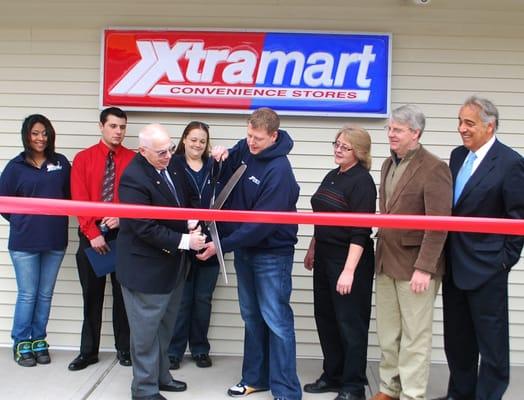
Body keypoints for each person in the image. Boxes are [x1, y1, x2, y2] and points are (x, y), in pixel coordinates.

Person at [198, 107, 302, 400]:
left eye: (258, 138)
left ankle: (286, 391)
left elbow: (261, 225)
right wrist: (218, 158)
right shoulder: (245, 148)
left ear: (274, 136)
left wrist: (221, 245)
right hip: (244, 248)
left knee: (277, 320)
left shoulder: (279, 170)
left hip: (272, 254)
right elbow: (223, 175)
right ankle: (255, 378)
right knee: (251, 317)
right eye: (249, 135)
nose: (251, 143)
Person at [435, 97, 524, 400]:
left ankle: (488, 396)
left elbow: (518, 216)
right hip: (454, 264)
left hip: (487, 267)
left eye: (469, 123)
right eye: (459, 122)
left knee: (491, 342)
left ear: (490, 125)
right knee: (457, 338)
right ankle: (459, 393)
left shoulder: (510, 163)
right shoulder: (458, 156)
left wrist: (503, 261)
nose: (462, 129)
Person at [117, 123, 206, 400]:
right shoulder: (133, 178)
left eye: (169, 149)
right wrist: (185, 241)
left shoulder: (173, 164)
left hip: (172, 266)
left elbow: (184, 200)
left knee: (166, 327)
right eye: (160, 152)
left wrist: (191, 220)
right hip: (146, 268)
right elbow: (144, 227)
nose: (168, 155)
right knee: (145, 334)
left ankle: (160, 375)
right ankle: (143, 390)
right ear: (142, 151)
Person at [372, 104, 452, 400]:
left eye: (398, 130)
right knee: (389, 334)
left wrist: (425, 267)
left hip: (415, 266)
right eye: (390, 129)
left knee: (415, 337)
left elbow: (438, 223)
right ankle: (388, 389)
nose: (391, 134)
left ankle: (412, 394)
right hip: (386, 261)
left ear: (415, 133)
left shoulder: (434, 168)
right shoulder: (387, 164)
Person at [303, 126, 376, 400]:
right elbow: (322, 217)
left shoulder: (362, 182)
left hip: (349, 259)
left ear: (359, 152)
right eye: (336, 144)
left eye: (345, 147)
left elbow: (361, 230)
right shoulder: (333, 175)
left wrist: (348, 271)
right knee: (326, 318)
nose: (338, 149)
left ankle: (353, 386)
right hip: (324, 255)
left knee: (350, 323)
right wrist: (313, 246)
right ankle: (332, 375)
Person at [0, 114, 70, 367]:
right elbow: (4, 203)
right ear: (27, 136)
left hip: (54, 241)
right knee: (28, 294)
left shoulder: (61, 163)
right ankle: (21, 342)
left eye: (45, 133)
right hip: (24, 243)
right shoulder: (15, 166)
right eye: (35, 133)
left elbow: (71, 197)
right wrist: (22, 221)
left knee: (45, 294)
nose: (41, 138)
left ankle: (39, 339)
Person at [68, 107, 134, 371]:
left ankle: (125, 349)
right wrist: (92, 233)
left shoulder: (133, 159)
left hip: (123, 235)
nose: (118, 132)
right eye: (113, 126)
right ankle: (88, 352)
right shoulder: (83, 158)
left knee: (123, 296)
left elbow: (137, 197)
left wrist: (122, 218)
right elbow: (79, 198)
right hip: (90, 234)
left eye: (122, 127)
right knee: (91, 297)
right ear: (101, 127)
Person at [168, 121, 221, 370]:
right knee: (181, 300)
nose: (197, 145)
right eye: (193, 139)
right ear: (184, 139)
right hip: (182, 240)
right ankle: (174, 351)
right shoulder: (173, 163)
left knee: (203, 299)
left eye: (202, 140)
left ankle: (200, 348)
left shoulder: (214, 165)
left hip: (209, 241)